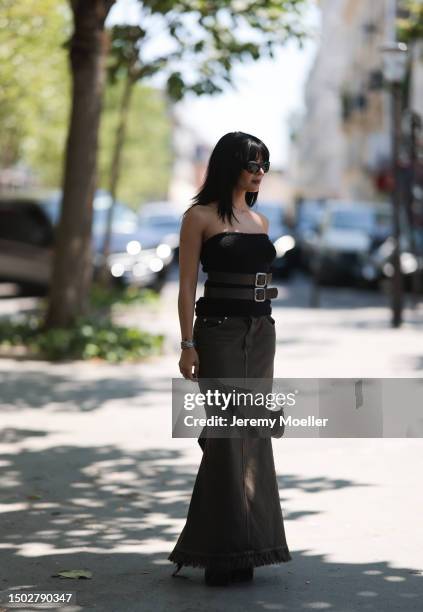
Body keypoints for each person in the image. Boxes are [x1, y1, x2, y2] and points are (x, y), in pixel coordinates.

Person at [168, 131, 291, 586]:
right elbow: (185, 287)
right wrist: (186, 344)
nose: (259, 172)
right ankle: (221, 554)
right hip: (217, 335)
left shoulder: (259, 221)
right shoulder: (198, 216)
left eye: (264, 164)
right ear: (228, 165)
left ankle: (245, 549)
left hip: (260, 334)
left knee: (252, 437)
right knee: (225, 439)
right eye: (251, 163)